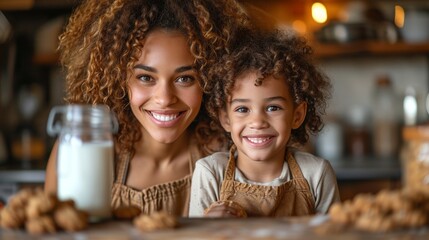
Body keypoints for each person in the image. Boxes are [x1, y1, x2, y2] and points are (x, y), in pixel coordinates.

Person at [44, 0, 251, 217]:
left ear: (211, 79)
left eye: (184, 78)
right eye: (145, 77)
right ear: (118, 79)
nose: (164, 99)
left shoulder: (228, 157)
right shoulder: (82, 148)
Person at [189, 28, 341, 217]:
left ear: (297, 115)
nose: (258, 122)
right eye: (242, 109)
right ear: (226, 119)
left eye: (273, 108)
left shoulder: (316, 174)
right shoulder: (210, 173)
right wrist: (209, 228)